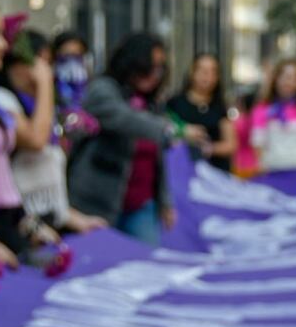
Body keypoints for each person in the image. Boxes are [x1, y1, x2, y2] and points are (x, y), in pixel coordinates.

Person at [68, 32, 207, 245]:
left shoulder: (152, 104)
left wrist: (165, 202)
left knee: (145, 262)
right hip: (95, 205)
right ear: (132, 62)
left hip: (141, 207)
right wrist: (175, 130)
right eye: (149, 66)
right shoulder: (102, 90)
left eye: (160, 68)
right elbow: (127, 120)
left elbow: (157, 160)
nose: (155, 74)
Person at [0, 0, 60, 267]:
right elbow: (37, 139)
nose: (2, 44)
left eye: (2, 35)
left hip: (4, 223)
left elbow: (3, 178)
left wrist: (27, 223)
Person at [0, 27, 105, 233]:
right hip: (15, 225)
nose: (47, 70)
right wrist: (45, 84)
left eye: (49, 63)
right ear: (15, 64)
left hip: (42, 226)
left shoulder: (41, 107)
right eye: (40, 62)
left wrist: (76, 219)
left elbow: (49, 187)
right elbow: (36, 140)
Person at [167, 53, 236, 172]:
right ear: (192, 72)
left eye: (213, 72)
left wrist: (209, 148)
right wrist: (183, 132)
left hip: (214, 171)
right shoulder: (175, 103)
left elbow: (231, 144)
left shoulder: (220, 106)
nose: (208, 76)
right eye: (203, 71)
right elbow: (165, 129)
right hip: (182, 169)